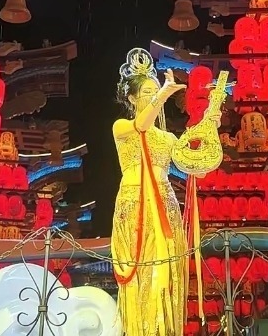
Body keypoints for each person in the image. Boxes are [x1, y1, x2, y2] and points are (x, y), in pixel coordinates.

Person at [111, 48, 219, 336]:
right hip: (135, 202)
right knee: (141, 266)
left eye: (154, 91)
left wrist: (210, 126)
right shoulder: (122, 127)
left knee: (164, 266)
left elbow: (196, 166)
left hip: (165, 201)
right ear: (132, 98)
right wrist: (163, 94)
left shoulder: (168, 137)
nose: (152, 96)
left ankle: (163, 328)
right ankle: (138, 328)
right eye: (147, 92)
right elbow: (141, 126)